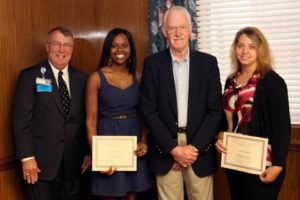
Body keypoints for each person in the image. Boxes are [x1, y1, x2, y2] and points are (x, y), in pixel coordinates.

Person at [140, 6, 223, 200]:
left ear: (190, 29)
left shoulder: (208, 64)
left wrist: (193, 149)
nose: (178, 33)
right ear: (164, 32)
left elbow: (215, 111)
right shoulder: (152, 65)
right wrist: (174, 149)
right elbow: (148, 111)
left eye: (182, 27)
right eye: (172, 28)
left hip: (199, 149)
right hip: (165, 147)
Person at [12, 26, 91, 200]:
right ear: (47, 47)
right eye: (56, 44)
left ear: (72, 49)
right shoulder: (30, 76)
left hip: (74, 166)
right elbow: (21, 120)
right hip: (40, 167)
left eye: (67, 45)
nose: (62, 50)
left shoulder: (83, 79)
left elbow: (85, 119)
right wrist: (27, 157)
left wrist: (88, 152)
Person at [215, 26, 291, 200]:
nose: (245, 51)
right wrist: (220, 136)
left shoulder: (273, 82)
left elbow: (282, 127)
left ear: (260, 50)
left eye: (251, 46)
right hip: (234, 159)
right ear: (235, 48)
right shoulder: (230, 81)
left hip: (263, 163)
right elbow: (225, 116)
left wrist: (278, 165)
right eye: (240, 45)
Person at [85, 28, 154, 200]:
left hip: (133, 142)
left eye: (124, 45)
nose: (119, 50)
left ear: (131, 49)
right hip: (108, 141)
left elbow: (144, 115)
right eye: (114, 46)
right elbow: (90, 121)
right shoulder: (96, 78)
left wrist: (144, 141)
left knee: (131, 195)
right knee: (108, 194)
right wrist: (97, 155)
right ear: (108, 48)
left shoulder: (138, 77)